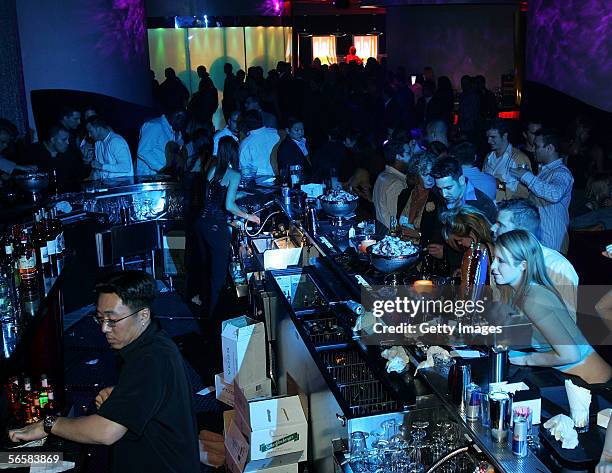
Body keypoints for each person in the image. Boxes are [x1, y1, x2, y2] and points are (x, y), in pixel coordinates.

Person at [9, 270, 201, 473]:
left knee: (18, 462)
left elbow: (106, 432)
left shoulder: (151, 360)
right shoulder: (154, 345)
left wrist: (47, 425)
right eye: (100, 319)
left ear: (143, 315)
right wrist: (122, 394)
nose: (104, 329)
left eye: (112, 320)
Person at [491, 230, 612, 384]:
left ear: (523, 265)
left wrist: (526, 360)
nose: (493, 266)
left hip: (593, 385)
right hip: (575, 380)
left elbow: (570, 355)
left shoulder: (532, 298)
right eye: (494, 258)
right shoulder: (521, 292)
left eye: (501, 260)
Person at [194, 137, 260, 319]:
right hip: (216, 227)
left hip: (202, 224)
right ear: (234, 152)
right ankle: (214, 317)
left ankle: (204, 307)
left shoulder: (214, 169)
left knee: (206, 268)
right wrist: (249, 216)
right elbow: (229, 206)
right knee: (219, 275)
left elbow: (215, 196)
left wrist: (241, 193)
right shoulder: (235, 174)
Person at [492, 198, 579, 321]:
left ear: (521, 232)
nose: (492, 229)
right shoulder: (500, 260)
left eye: (500, 225)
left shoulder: (557, 267)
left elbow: (568, 326)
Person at [510, 128, 573, 253]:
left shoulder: (561, 172)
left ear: (549, 148)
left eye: (537, 146)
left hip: (553, 239)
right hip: (541, 237)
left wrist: (527, 177)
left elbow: (554, 194)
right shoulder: (544, 172)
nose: (533, 149)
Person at [482, 118, 532, 201]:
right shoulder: (488, 157)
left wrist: (496, 183)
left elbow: (524, 193)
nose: (489, 141)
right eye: (488, 137)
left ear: (504, 136)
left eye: (493, 137)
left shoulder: (519, 158)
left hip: (508, 211)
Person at [29, 125, 86, 192]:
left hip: (67, 196)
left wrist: (86, 163)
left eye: (68, 140)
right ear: (53, 140)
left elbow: (79, 176)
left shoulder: (70, 153)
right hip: (43, 196)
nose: (67, 143)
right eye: (64, 140)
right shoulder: (34, 152)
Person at [396, 151, 438, 239]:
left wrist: (418, 234)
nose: (430, 179)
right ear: (415, 175)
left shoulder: (438, 199)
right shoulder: (405, 194)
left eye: (432, 174)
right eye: (425, 174)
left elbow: (438, 235)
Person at [373, 139, 411, 229]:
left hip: (381, 230)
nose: (412, 155)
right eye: (409, 153)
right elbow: (395, 219)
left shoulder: (382, 175)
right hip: (391, 236)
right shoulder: (397, 183)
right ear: (398, 157)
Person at [136, 109, 187, 175]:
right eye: (183, 122)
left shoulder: (173, 131)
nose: (183, 126)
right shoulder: (155, 126)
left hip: (161, 176)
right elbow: (143, 151)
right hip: (148, 177)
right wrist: (162, 168)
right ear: (177, 116)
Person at [238, 110, 280, 177]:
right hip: (279, 177)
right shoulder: (276, 133)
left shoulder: (245, 144)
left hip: (258, 181)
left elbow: (244, 170)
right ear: (261, 119)